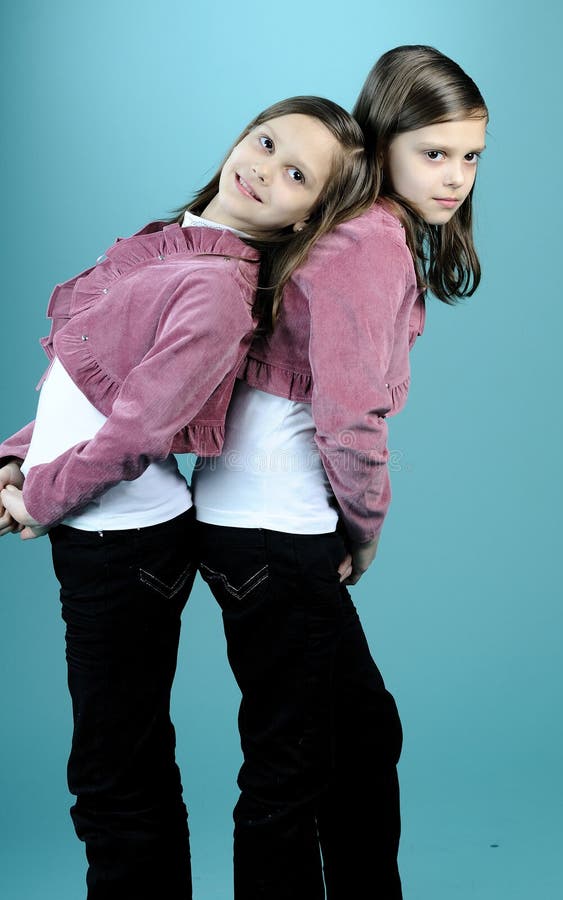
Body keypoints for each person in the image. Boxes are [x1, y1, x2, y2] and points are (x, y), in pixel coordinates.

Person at [0, 96, 375, 900]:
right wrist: (16, 459)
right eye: (267, 141)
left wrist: (41, 500)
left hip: (124, 542)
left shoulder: (215, 289)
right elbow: (91, 380)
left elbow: (141, 428)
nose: (264, 169)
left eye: (296, 175)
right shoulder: (178, 244)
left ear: (309, 215)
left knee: (115, 777)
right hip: (104, 525)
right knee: (118, 768)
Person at [193, 45, 488, 899]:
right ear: (385, 139)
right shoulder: (369, 244)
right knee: (296, 761)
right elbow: (349, 417)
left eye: (471, 156)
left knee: (354, 733)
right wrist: (364, 529)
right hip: (275, 525)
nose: (456, 176)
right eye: (434, 153)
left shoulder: (360, 233)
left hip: (255, 521)